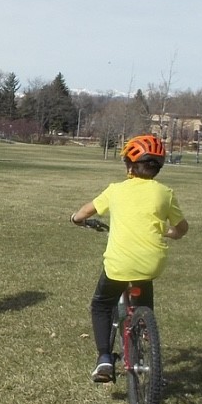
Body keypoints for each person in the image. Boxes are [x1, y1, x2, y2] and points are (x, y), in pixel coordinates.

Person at [70, 134, 189, 382]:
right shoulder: (165, 193)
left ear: (129, 165)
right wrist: (170, 233)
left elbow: (84, 212)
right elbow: (181, 228)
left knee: (102, 305)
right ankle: (146, 338)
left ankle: (104, 357)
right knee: (143, 289)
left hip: (119, 264)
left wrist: (76, 219)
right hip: (152, 263)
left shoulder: (116, 190)